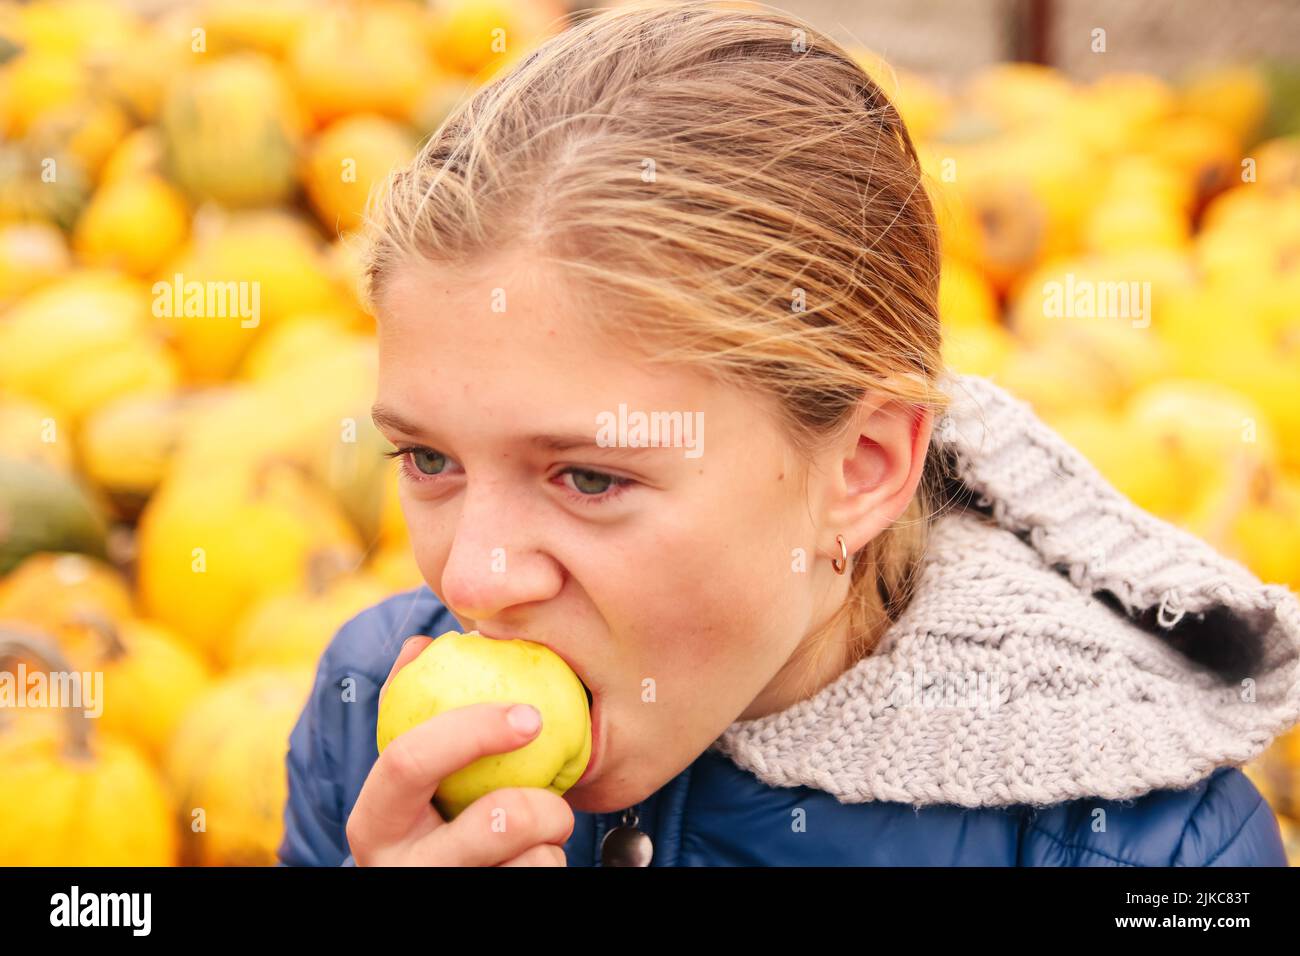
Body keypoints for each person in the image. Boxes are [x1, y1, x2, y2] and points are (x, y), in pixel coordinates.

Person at [278, 0, 1300, 866]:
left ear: (859, 470)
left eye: (588, 476)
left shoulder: (1154, 849)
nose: (473, 579)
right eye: (428, 459)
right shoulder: (369, 714)